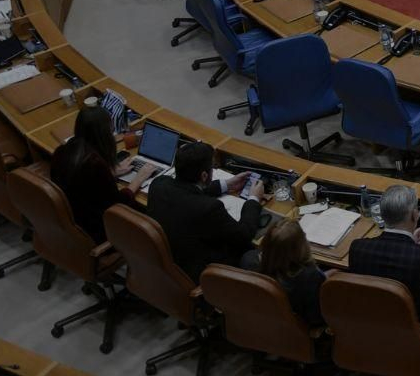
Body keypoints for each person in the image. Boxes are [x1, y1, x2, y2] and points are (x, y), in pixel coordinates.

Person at [346, 185, 420, 338]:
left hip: (372, 326)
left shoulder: (357, 248)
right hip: (418, 332)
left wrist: (412, 245)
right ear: (414, 215)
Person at [145, 141, 265, 279]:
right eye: (212, 168)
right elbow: (244, 234)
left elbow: (185, 191)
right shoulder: (209, 208)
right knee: (252, 252)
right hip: (201, 273)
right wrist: (253, 199)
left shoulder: (159, 184)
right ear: (203, 176)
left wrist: (226, 184)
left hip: (168, 264)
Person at [50, 107, 152, 244]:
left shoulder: (63, 151)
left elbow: (85, 185)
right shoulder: (95, 166)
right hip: (96, 230)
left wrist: (111, 173)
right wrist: (139, 178)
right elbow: (117, 206)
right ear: (104, 134)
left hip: (72, 218)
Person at [258, 219, 327, 327]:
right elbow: (316, 318)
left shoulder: (249, 261)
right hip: (304, 327)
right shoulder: (310, 276)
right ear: (300, 247)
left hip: (271, 324)